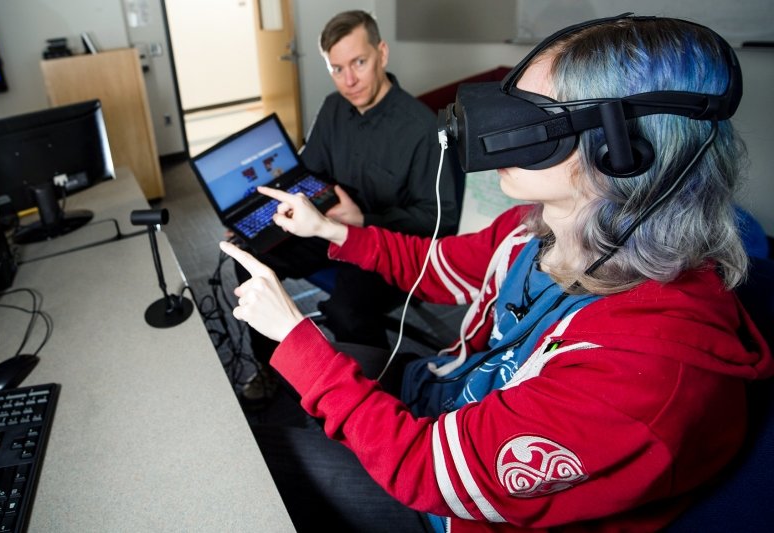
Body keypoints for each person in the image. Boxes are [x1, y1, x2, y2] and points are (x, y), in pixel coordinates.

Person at [220, 15, 773, 532]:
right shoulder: (534, 226)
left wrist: (297, 340)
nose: (492, 133)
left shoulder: (646, 369)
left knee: (259, 458)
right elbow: (431, 268)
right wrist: (330, 230)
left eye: (533, 118)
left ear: (617, 151)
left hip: (449, 502)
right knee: (328, 380)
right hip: (445, 393)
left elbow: (423, 470)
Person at [234, 10, 460, 404]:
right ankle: (272, 367)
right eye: (337, 69)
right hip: (323, 231)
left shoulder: (423, 129)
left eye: (358, 63)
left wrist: (363, 220)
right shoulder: (334, 107)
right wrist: (257, 214)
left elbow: (440, 221)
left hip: (388, 248)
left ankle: (375, 402)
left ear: (382, 54)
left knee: (347, 312)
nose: (349, 81)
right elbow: (306, 173)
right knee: (249, 254)